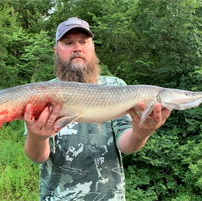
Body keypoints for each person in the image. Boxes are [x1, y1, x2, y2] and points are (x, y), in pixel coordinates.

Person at [23, 17, 171, 200]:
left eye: (83, 42)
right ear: (56, 51)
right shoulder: (43, 94)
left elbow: (126, 145)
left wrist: (141, 134)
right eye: (68, 42)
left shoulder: (117, 87)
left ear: (92, 48)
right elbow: (38, 157)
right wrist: (37, 138)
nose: (77, 47)